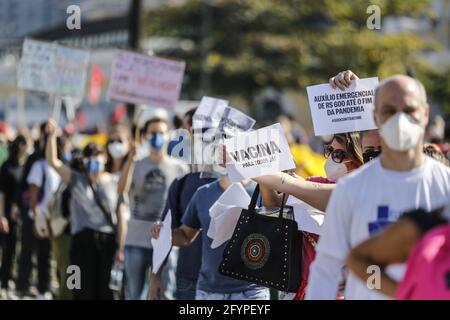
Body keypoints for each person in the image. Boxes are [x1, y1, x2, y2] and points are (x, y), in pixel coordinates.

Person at [306, 74, 450, 300]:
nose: (400, 120)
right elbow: (326, 270)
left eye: (409, 110)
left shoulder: (446, 185)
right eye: (389, 111)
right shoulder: (351, 189)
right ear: (375, 117)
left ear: (424, 114)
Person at [152, 175, 270, 300]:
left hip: (252, 291)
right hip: (210, 292)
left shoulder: (263, 192)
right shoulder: (203, 193)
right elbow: (185, 235)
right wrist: (163, 233)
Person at [46, 118, 125, 300]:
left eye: (97, 154)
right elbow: (53, 161)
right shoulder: (76, 179)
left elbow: (121, 215)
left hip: (106, 242)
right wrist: (51, 136)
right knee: (81, 290)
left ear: (105, 157)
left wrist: (120, 246)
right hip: (81, 242)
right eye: (89, 155)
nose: (93, 159)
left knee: (106, 292)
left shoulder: (114, 181)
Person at [149, 108, 217, 300]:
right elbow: (168, 232)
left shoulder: (242, 184)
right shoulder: (182, 183)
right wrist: (155, 277)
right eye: (192, 131)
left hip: (231, 287)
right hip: (189, 279)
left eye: (205, 132)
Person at [118, 117, 188, 300]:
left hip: (166, 241)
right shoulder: (136, 164)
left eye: (161, 132)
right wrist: (129, 162)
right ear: (145, 136)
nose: (157, 137)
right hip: (136, 240)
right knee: (133, 293)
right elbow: (121, 191)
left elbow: (185, 204)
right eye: (152, 133)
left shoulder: (180, 168)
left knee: (165, 293)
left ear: (168, 136)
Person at [16, 124, 60, 300]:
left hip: (51, 220)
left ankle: (44, 288)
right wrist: (36, 217)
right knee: (27, 253)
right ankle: (22, 287)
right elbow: (30, 192)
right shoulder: (35, 161)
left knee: (46, 256)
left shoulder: (58, 166)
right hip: (35, 218)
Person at [0, 135, 27, 298]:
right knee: (7, 248)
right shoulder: (6, 167)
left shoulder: (25, 166)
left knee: (19, 249)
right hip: (7, 214)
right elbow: (1, 193)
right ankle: (4, 280)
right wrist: (2, 215)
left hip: (21, 215)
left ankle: (13, 278)